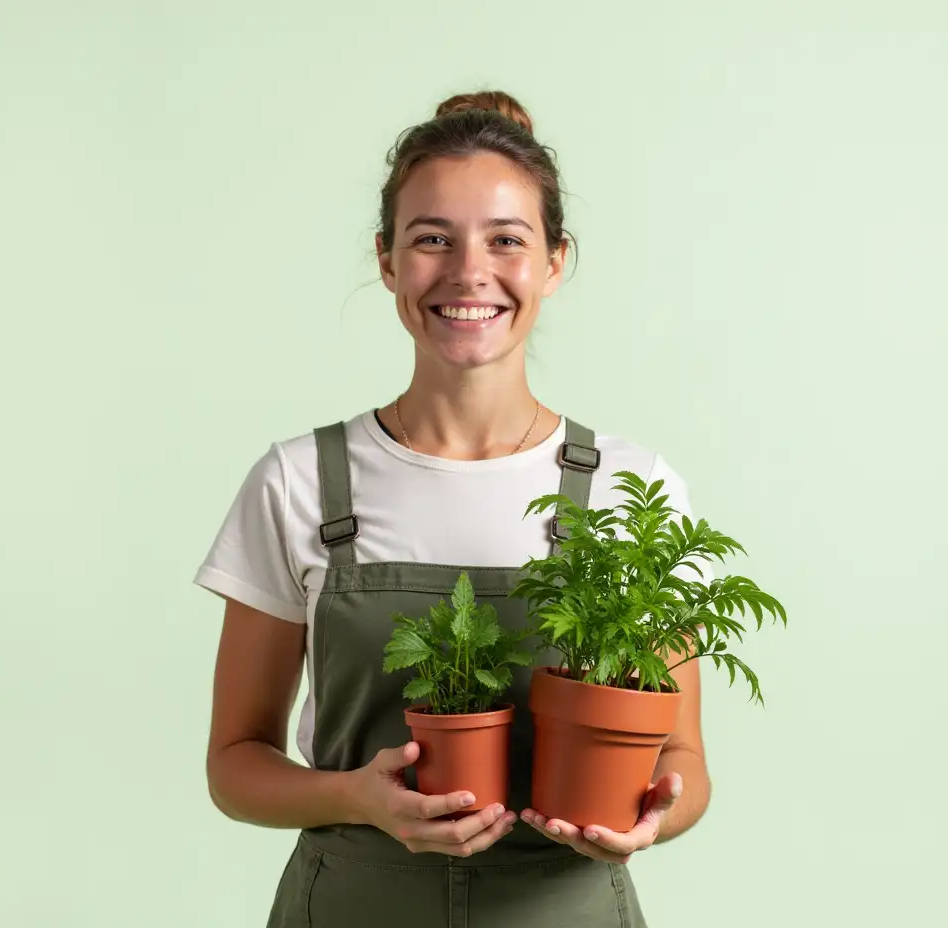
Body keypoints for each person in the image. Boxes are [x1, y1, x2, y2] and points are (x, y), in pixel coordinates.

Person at [193, 89, 712, 928]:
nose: (469, 272)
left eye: (506, 240)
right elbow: (234, 764)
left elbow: (684, 759)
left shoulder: (628, 487)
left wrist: (648, 819)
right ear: (388, 260)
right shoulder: (298, 481)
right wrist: (359, 799)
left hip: (565, 909)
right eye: (432, 239)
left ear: (554, 262)